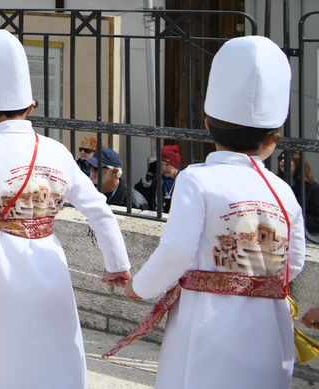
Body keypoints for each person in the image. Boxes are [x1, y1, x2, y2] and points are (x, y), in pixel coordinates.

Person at [0, 30, 131, 389]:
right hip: (49, 257)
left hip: (0, 262)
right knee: (56, 340)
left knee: (3, 346)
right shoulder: (57, 151)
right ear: (32, 107)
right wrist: (118, 265)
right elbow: (99, 209)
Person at [111, 36, 306, 389]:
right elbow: (293, 263)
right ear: (273, 138)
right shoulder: (283, 192)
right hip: (268, 324)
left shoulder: (197, 179)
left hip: (207, 320)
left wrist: (139, 287)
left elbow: (175, 252)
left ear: (206, 124)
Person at [281, 151, 319, 241]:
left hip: (305, 236)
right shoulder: (276, 183)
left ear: (298, 162)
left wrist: (294, 218)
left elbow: (317, 220)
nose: (282, 161)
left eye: (288, 159)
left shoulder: (313, 188)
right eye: (280, 159)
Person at [133, 144, 183, 212]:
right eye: (161, 164)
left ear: (175, 165)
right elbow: (139, 193)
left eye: (167, 165)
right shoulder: (158, 179)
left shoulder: (183, 179)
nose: (164, 168)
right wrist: (149, 175)